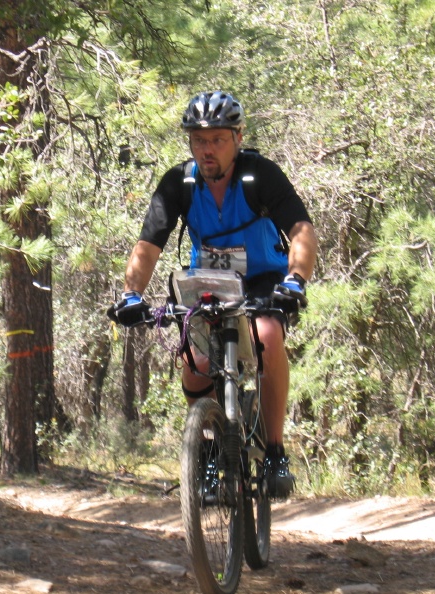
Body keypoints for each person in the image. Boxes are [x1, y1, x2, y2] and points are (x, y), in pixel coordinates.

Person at [107, 91, 318, 498]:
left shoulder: (261, 176)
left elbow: (301, 231)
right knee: (193, 360)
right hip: (207, 283)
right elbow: (148, 246)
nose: (207, 149)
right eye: (199, 140)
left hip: (263, 281)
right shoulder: (180, 184)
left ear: (238, 138)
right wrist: (131, 294)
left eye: (218, 139)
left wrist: (296, 279)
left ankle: (274, 451)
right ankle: (205, 451)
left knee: (268, 336)